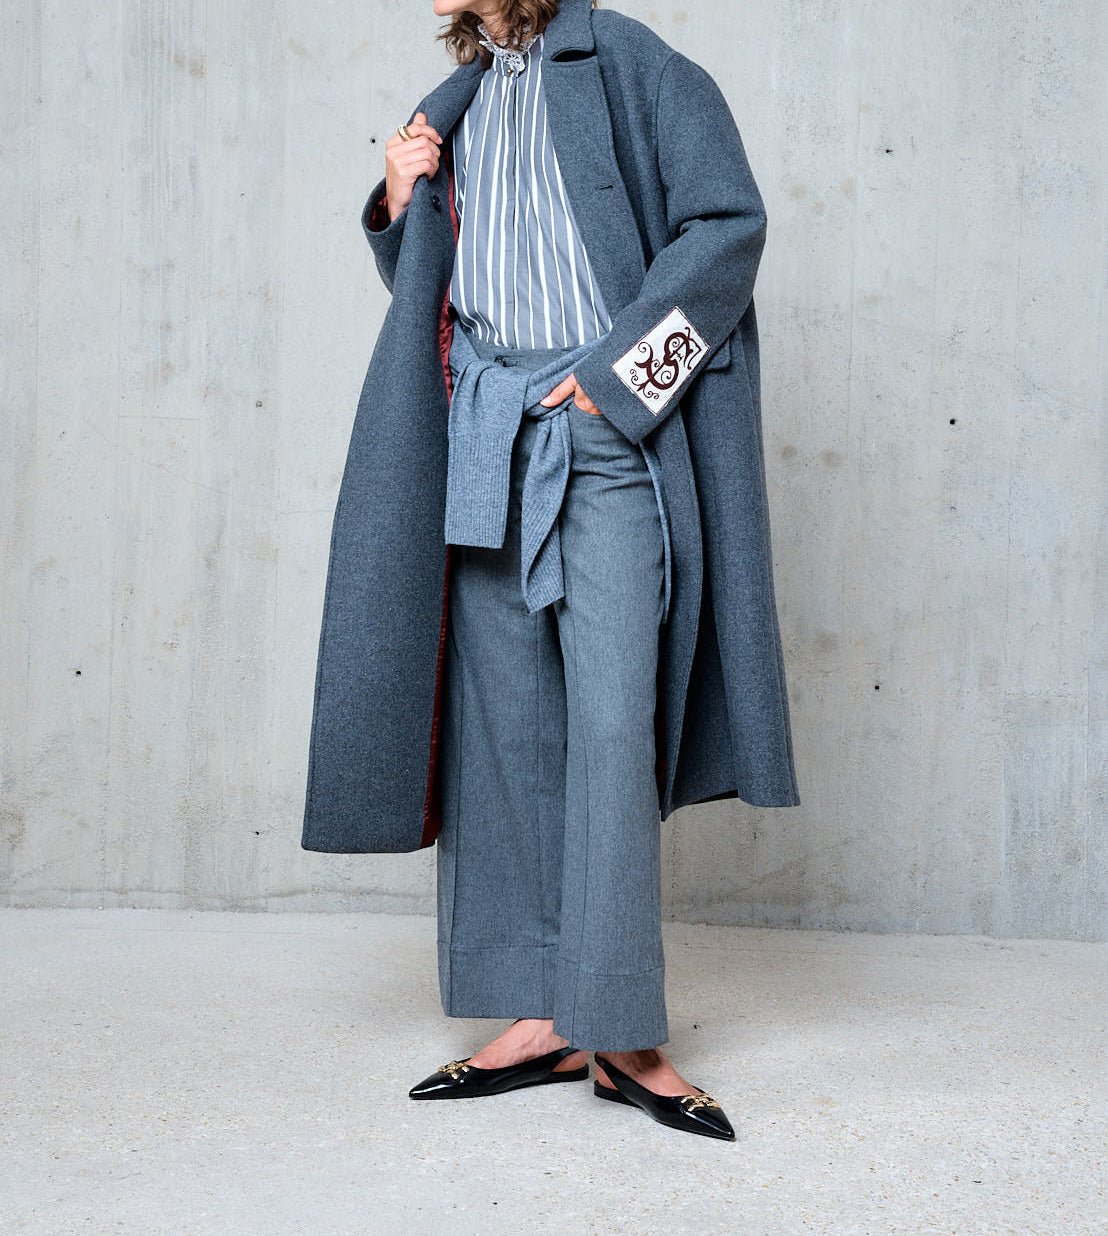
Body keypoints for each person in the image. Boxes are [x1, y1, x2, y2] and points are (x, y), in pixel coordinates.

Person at [301, 0, 800, 1143]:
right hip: (482, 426)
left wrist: (618, 386)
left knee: (612, 725)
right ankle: (543, 1014)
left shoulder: (634, 64)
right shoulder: (461, 99)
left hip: (603, 434)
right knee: (505, 729)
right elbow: (435, 290)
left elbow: (729, 231)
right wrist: (400, 202)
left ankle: (620, 1030)